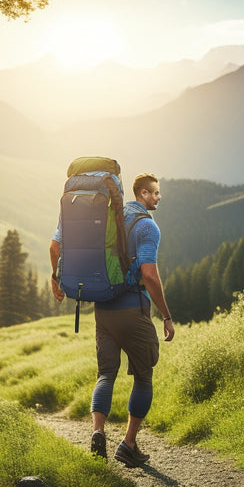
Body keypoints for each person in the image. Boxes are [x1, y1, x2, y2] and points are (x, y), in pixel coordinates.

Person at [49, 172, 175, 468]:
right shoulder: (147, 226)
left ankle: (97, 433)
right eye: (155, 193)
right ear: (143, 194)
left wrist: (56, 279)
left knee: (106, 374)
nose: (158, 197)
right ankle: (128, 444)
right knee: (143, 377)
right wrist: (166, 316)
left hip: (103, 308)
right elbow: (149, 274)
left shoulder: (106, 215)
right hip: (133, 309)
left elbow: (55, 247)